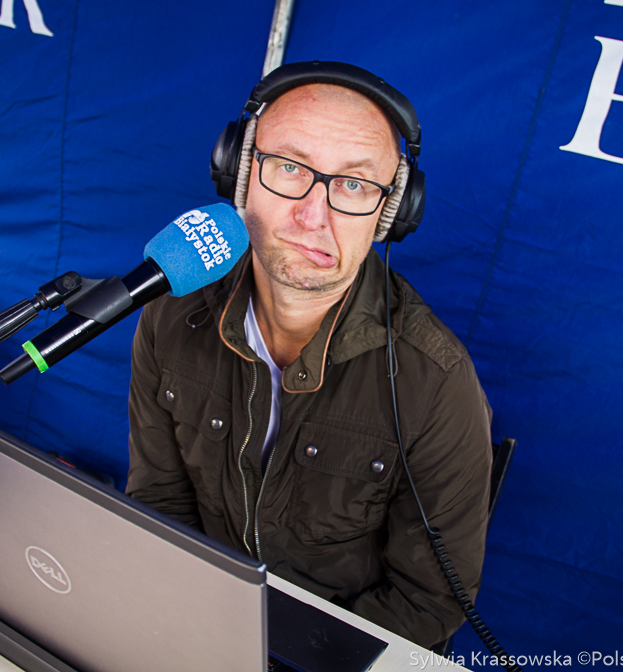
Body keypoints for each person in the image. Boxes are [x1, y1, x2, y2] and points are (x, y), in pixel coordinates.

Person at [126, 62, 493, 649]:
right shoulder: (172, 310)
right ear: (239, 175)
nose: (313, 217)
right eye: (290, 168)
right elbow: (159, 501)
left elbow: (426, 602)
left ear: (391, 214)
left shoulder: (436, 384)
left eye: (354, 185)